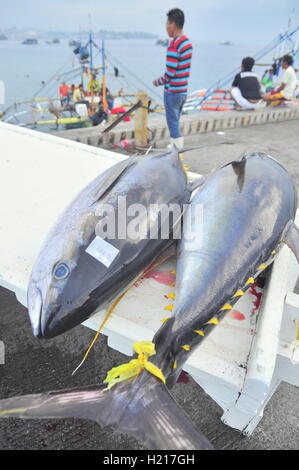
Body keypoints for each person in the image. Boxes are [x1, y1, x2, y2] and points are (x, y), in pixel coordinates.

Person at [153, 8, 193, 149]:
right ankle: (175, 146)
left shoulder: (174, 44)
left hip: (172, 91)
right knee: (176, 120)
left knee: (172, 121)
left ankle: (176, 149)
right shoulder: (187, 43)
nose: (166, 28)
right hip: (183, 91)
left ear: (173, 24)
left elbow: (170, 73)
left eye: (166, 24)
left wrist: (157, 82)